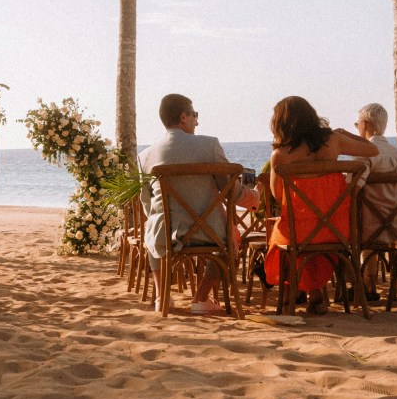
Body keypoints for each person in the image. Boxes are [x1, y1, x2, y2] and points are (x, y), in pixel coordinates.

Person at [140, 93, 259, 315]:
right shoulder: (209, 145)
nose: (197, 121)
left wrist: (164, 221)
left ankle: (160, 297)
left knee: (152, 227)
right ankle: (201, 298)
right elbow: (230, 192)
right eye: (195, 115)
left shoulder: (145, 155)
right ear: (184, 117)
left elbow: (147, 203)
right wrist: (255, 196)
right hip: (211, 233)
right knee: (232, 235)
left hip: (166, 234)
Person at [265, 96, 378, 315]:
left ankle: (294, 291)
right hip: (338, 230)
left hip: (302, 231)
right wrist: (346, 134)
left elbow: (278, 195)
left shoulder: (280, 155)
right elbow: (373, 150)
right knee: (311, 232)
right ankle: (315, 293)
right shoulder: (333, 140)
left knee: (286, 236)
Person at [344, 103, 397, 298]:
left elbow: (351, 189)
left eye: (357, 124)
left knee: (348, 223)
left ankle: (361, 283)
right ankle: (368, 281)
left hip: (367, 230)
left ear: (364, 124)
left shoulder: (365, 154)